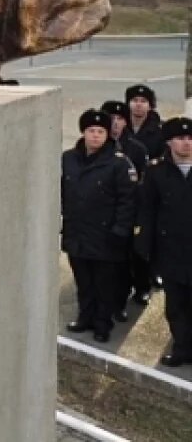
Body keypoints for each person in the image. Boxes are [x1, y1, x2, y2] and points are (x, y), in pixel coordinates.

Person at [61, 109, 137, 343]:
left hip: (105, 235)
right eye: (91, 131)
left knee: (104, 285)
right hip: (77, 233)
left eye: (100, 131)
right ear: (83, 132)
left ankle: (102, 324)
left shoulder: (119, 163)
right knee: (84, 282)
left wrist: (120, 231)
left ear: (107, 135)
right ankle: (85, 318)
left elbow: (128, 201)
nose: (95, 136)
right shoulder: (68, 159)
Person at [137, 117, 192, 367]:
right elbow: (147, 210)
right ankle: (181, 350)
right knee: (176, 306)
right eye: (181, 138)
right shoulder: (156, 171)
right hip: (171, 250)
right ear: (169, 142)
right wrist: (145, 247)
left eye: (190, 138)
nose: (187, 143)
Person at [103, 99, 152, 310]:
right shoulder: (98, 146)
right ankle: (116, 298)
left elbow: (144, 181)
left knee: (136, 254)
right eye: (111, 118)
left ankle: (142, 287)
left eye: (120, 119)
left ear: (126, 123)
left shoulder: (137, 149)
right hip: (106, 212)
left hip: (132, 211)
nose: (115, 123)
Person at [123, 84, 164, 159]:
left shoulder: (160, 130)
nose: (138, 104)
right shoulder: (120, 126)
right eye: (135, 100)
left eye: (143, 101)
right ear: (128, 104)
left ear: (150, 106)